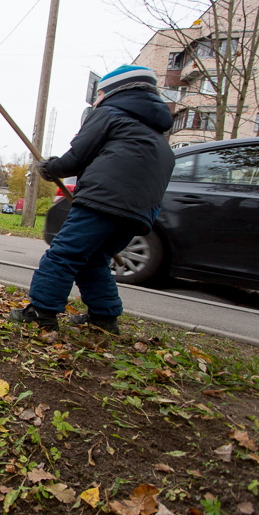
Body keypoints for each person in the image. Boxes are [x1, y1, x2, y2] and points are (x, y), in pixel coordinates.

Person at [10, 65, 174, 334]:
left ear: (114, 91)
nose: (96, 99)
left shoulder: (110, 113)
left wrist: (52, 168)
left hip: (103, 201)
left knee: (63, 255)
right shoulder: (157, 135)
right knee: (95, 260)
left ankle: (41, 312)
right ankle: (104, 318)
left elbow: (78, 156)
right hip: (140, 214)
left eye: (99, 93)